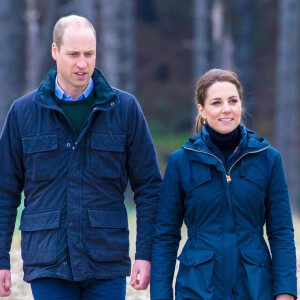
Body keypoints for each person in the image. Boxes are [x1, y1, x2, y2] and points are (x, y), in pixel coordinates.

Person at [0, 14, 162, 299]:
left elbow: (149, 188)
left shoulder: (124, 109)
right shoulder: (23, 113)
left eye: (89, 54)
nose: (83, 63)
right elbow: (4, 192)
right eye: (73, 54)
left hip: (106, 262)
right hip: (47, 261)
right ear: (54, 51)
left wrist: (145, 254)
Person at [150, 69, 297, 300]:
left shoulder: (268, 159)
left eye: (233, 101)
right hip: (197, 289)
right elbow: (165, 235)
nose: (226, 109)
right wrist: (161, 295)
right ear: (201, 109)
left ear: (241, 105)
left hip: (255, 289)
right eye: (216, 102)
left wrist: (286, 292)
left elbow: (281, 232)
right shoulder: (181, 162)